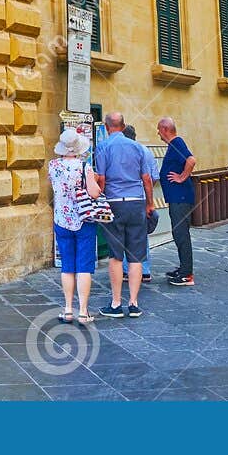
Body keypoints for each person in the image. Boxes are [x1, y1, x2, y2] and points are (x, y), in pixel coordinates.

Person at [91, 111, 155, 318]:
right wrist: (149, 204)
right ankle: (134, 303)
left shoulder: (102, 147)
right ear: (124, 125)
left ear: (107, 127)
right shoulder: (137, 147)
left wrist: (99, 196)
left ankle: (116, 303)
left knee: (116, 256)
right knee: (136, 256)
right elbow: (146, 178)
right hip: (136, 202)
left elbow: (101, 179)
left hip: (114, 203)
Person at [46, 129, 100, 327]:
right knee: (84, 266)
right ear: (78, 148)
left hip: (61, 220)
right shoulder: (84, 166)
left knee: (67, 265)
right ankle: (83, 312)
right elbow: (94, 193)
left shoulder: (53, 165)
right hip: (83, 219)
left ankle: (68, 309)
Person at [156, 116, 197, 286]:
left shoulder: (177, 143)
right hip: (177, 198)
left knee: (181, 234)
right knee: (178, 233)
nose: (158, 133)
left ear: (165, 129)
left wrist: (181, 177)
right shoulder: (174, 145)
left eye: (159, 129)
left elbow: (191, 160)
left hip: (181, 198)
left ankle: (187, 274)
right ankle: (183, 268)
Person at [121, 125, 157, 283]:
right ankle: (145, 270)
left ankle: (126, 270)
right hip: (141, 198)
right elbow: (153, 177)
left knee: (123, 234)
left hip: (123, 199)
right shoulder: (146, 151)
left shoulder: (121, 152)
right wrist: (148, 197)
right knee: (140, 235)